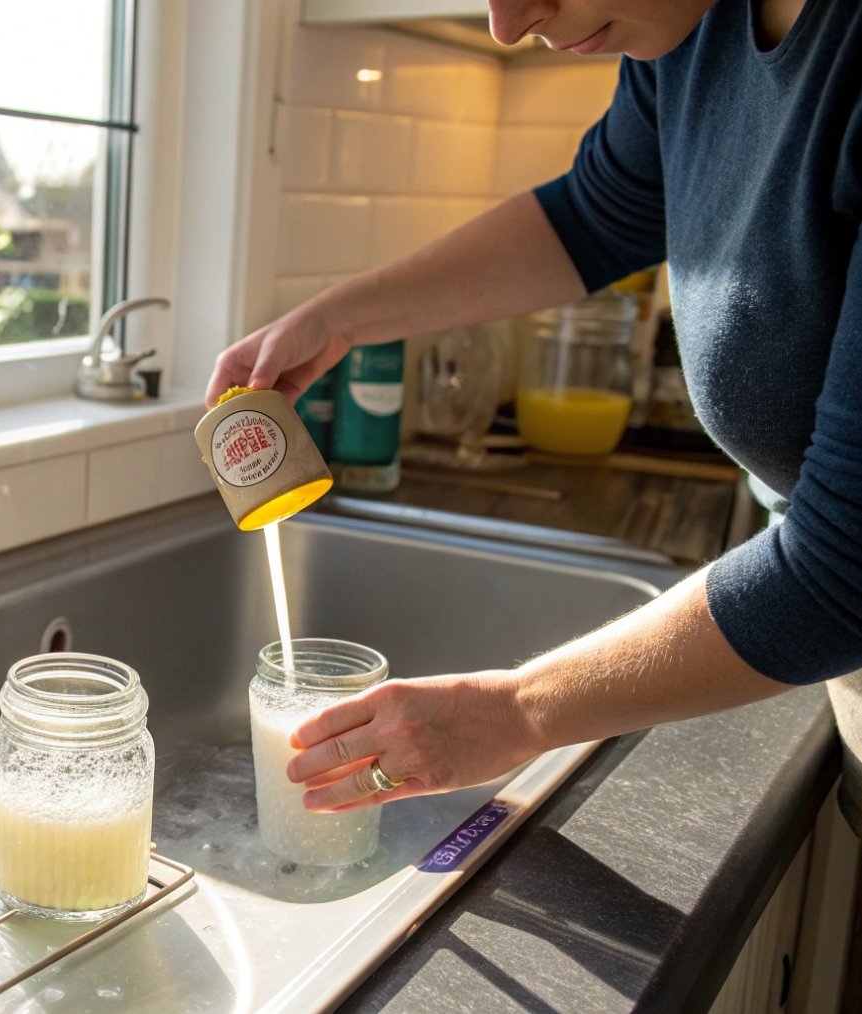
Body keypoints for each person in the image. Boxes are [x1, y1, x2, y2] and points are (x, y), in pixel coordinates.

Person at [206, 0, 862, 833]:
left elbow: (845, 572)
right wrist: (341, 320)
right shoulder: (684, 31)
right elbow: (594, 215)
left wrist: (515, 713)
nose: (507, 25)